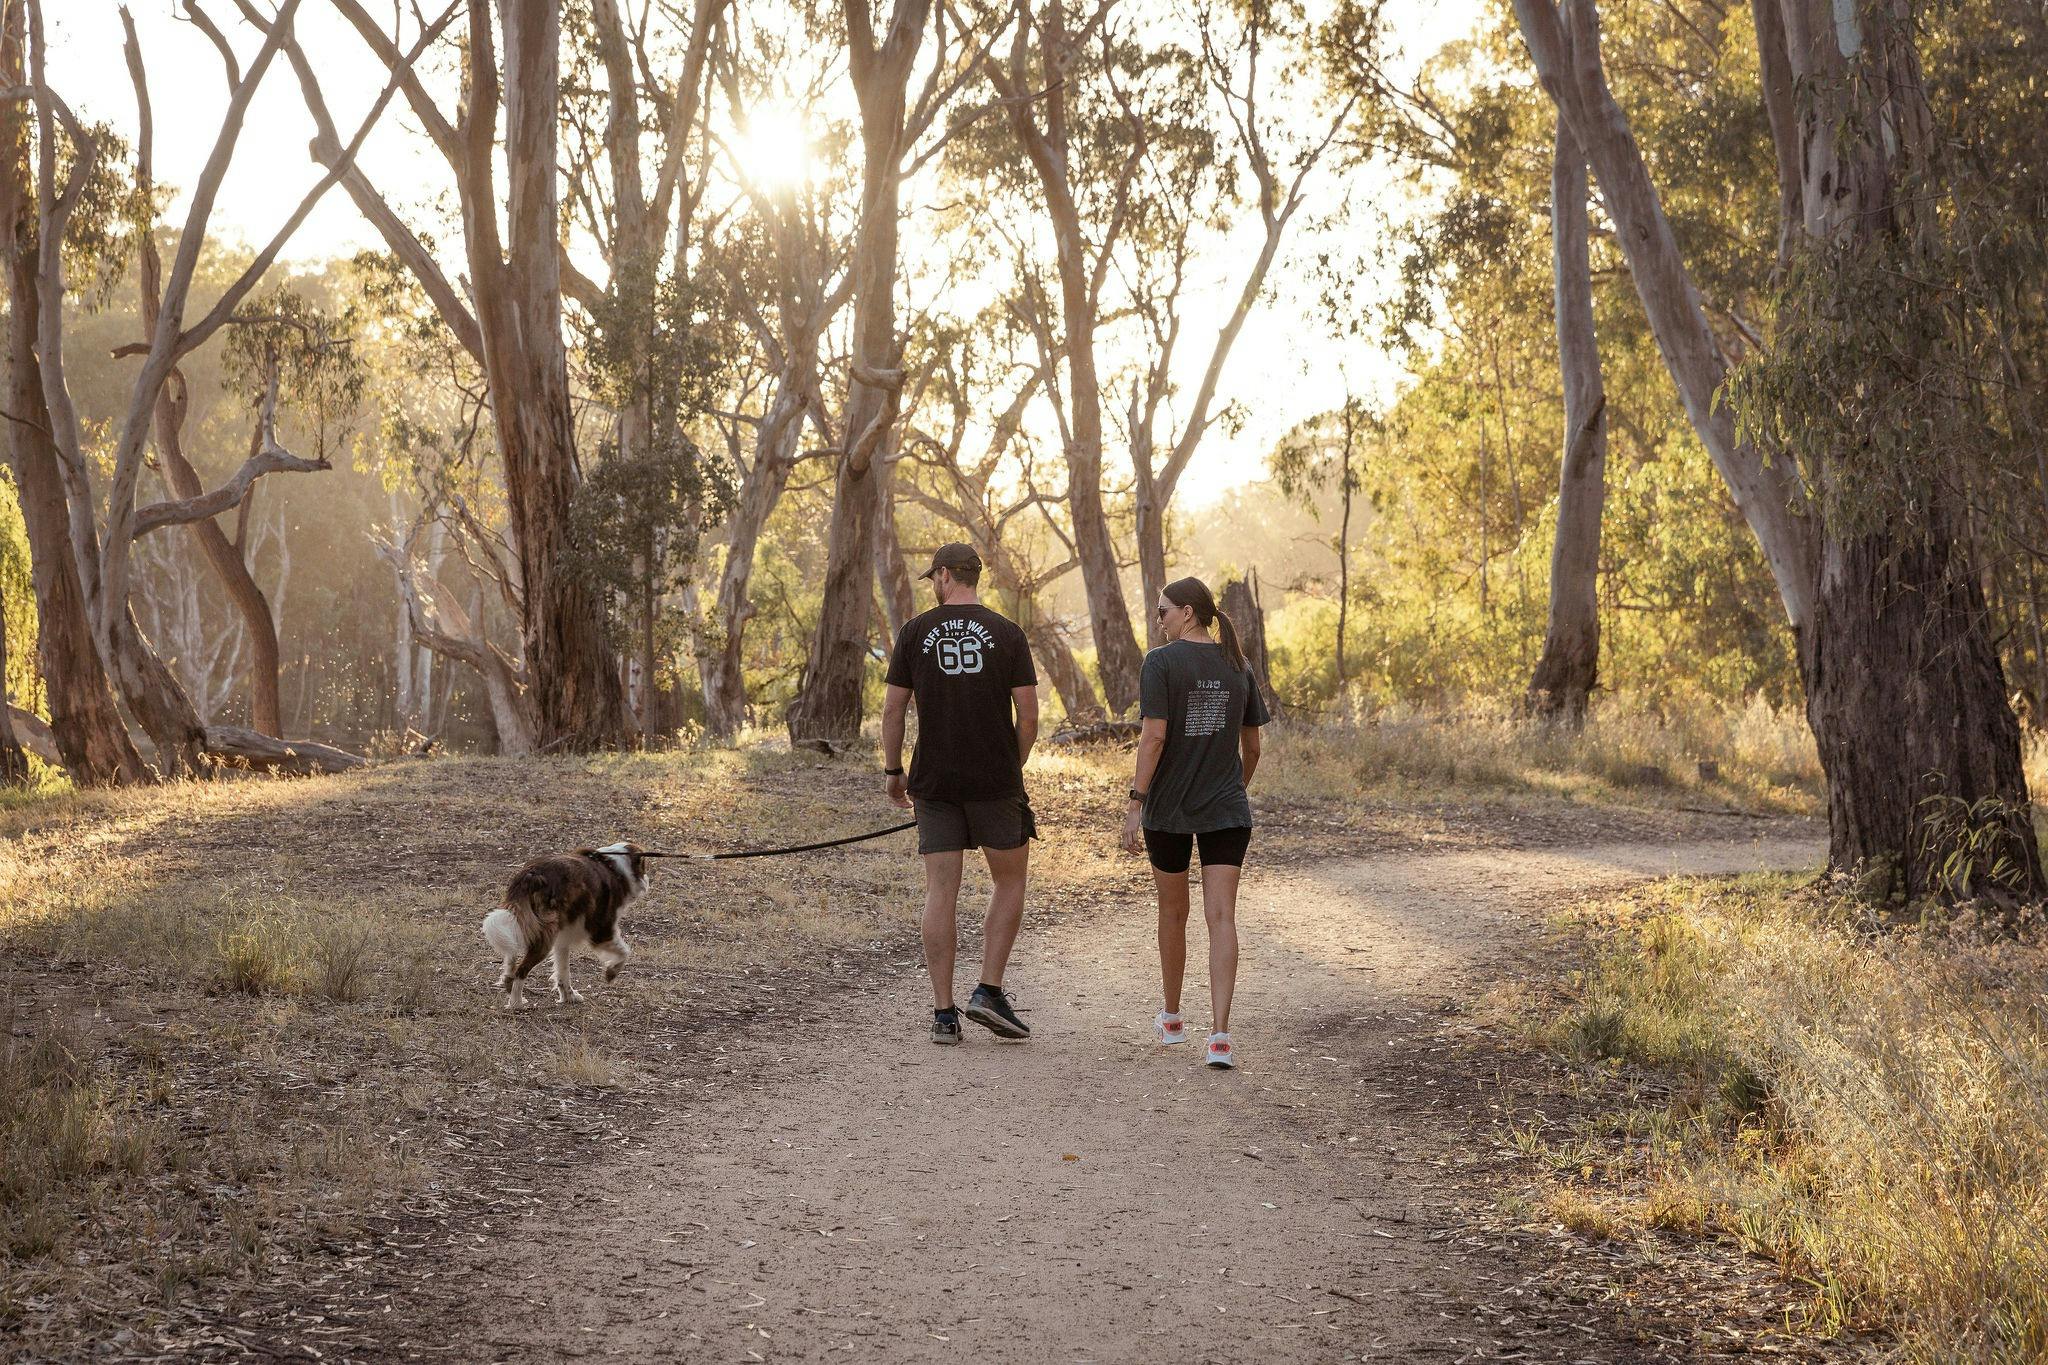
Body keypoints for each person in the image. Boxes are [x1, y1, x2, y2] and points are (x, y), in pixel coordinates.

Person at [882, 542, 1040, 1045]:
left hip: (935, 781)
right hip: (996, 782)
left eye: (935, 577)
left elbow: (892, 711)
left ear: (947, 575)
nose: (934, 584)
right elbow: (1030, 718)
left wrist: (893, 770)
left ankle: (944, 1014)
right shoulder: (1008, 633)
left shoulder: (914, 632)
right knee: (1010, 882)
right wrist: (1008, 765)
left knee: (941, 891)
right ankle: (988, 991)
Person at [1121, 576, 1270, 1069]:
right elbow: (1252, 748)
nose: (1158, 619)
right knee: (1221, 917)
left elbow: (1154, 739)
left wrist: (1135, 801)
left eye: (1162, 611)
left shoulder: (1160, 663)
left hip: (1168, 809)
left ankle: (1171, 1019)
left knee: (1173, 912)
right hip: (1226, 810)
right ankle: (1221, 1037)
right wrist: (1233, 790)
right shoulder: (1238, 665)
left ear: (1186, 612)